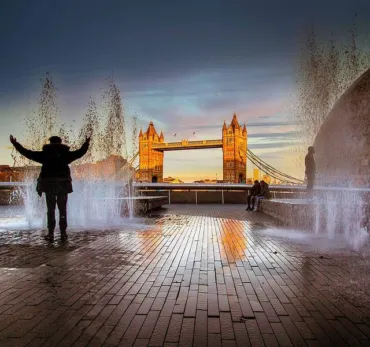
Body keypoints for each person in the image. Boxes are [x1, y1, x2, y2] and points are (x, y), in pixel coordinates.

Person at [10, 135, 90, 242]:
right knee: (63, 210)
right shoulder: (66, 154)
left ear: (50, 142)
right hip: (63, 184)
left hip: (49, 184)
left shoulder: (45, 154)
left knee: (50, 210)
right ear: (60, 142)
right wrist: (86, 143)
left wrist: (15, 144)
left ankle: (51, 233)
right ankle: (63, 233)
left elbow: (27, 153)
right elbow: (80, 153)